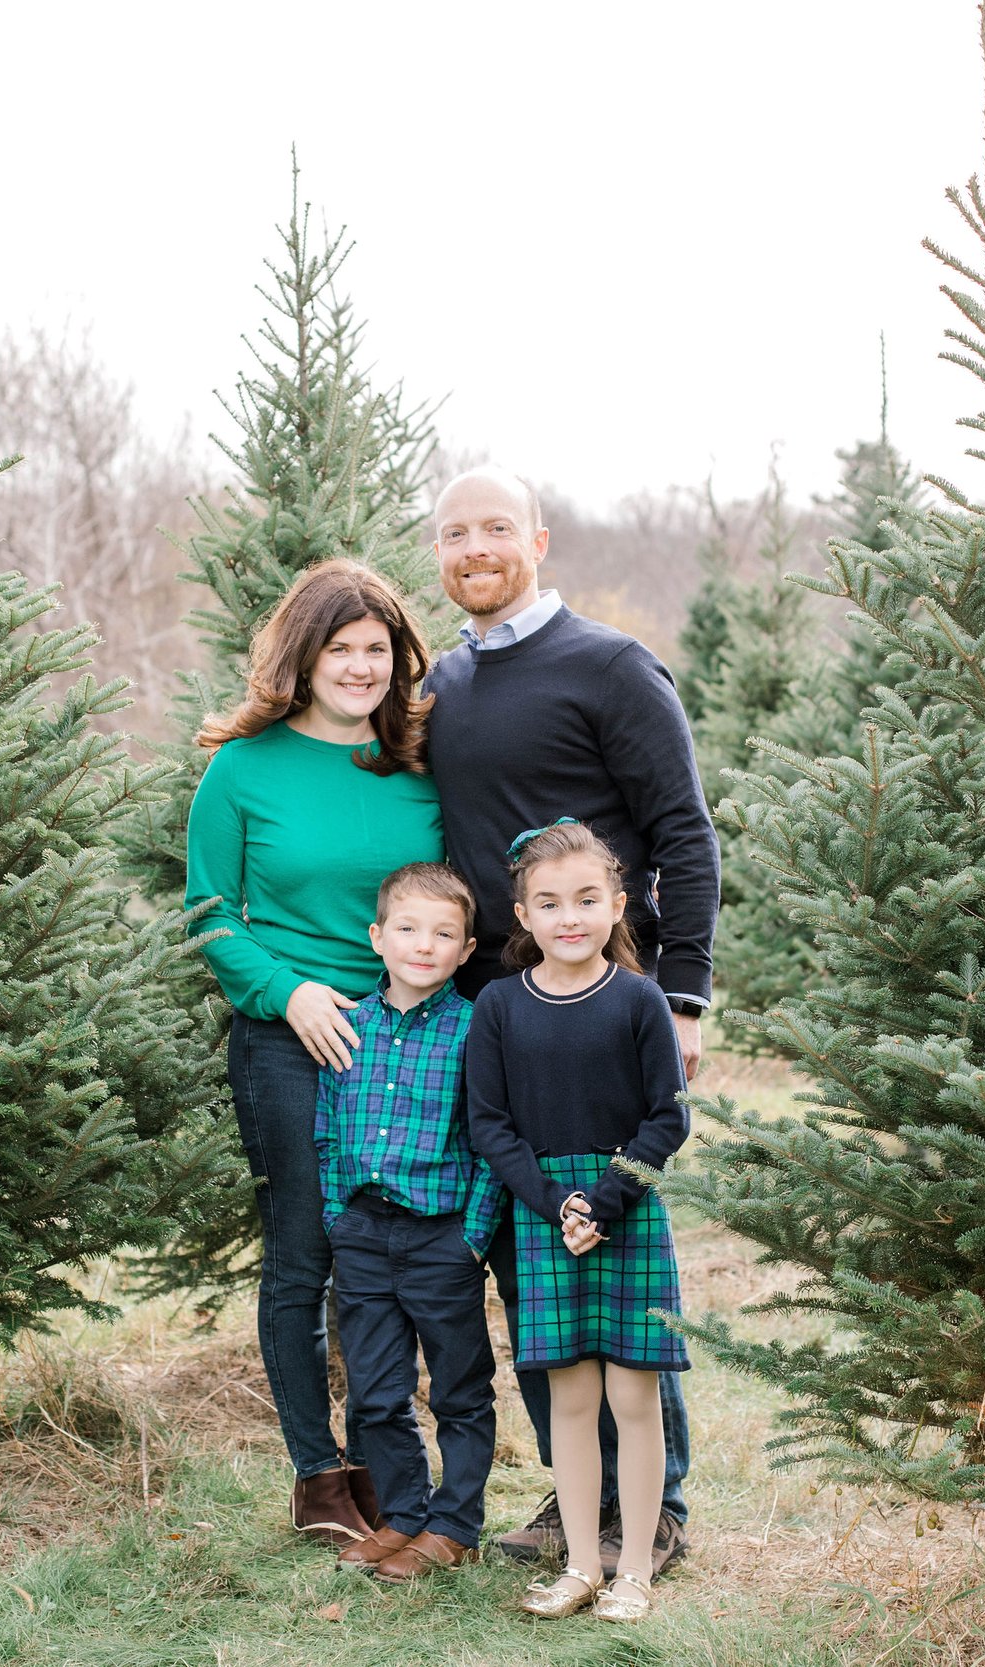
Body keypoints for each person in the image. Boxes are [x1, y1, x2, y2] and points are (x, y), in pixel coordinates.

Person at [424, 464, 718, 1577]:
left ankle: (663, 1503)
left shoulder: (607, 665)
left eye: (496, 526)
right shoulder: (442, 681)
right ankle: (572, 1491)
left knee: (619, 1239)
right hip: (495, 1009)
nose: (475, 546)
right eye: (454, 533)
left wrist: (682, 992)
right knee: (529, 1248)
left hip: (606, 1000)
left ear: (538, 539)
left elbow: (684, 831)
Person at [183, 559, 444, 1547]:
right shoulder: (243, 769)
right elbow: (209, 912)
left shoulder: (419, 764)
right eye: (341, 648)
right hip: (290, 1039)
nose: (361, 666)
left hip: (405, 1040)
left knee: (389, 1259)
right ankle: (318, 1475)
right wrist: (286, 991)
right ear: (304, 653)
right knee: (305, 1254)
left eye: (376, 649)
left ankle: (389, 1460)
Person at [464, 821, 692, 1624]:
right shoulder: (498, 1006)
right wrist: (552, 1200)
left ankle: (634, 1565)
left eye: (588, 899)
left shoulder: (638, 1000)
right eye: (550, 902)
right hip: (542, 1214)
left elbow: (669, 1118)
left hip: (621, 1204)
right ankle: (581, 1565)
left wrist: (602, 1198)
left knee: (633, 1397)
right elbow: (489, 1125)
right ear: (521, 914)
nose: (570, 916)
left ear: (618, 905)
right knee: (569, 1400)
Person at [316, 861, 502, 1586]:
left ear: (464, 948)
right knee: (375, 1391)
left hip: (441, 1236)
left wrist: (471, 1237)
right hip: (363, 1234)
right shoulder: (349, 1028)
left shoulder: (475, 1029)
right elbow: (327, 1133)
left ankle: (455, 1524)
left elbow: (492, 1139)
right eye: (408, 928)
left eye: (443, 933)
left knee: (459, 1386)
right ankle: (403, 1512)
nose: (424, 944)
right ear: (378, 936)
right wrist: (337, 1217)